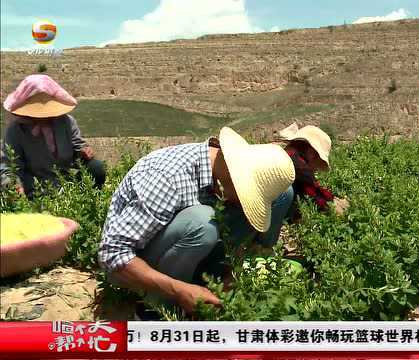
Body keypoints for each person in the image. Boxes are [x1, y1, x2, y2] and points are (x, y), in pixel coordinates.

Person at [98, 127, 295, 314]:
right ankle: (158, 308)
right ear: (235, 179)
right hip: (133, 264)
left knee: (282, 194)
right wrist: (179, 290)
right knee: (201, 224)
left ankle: (211, 275)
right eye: (248, 196)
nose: (246, 203)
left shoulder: (219, 173)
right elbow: (113, 255)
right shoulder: (167, 178)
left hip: (183, 247)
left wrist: (230, 270)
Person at [0, 74, 105, 197]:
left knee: (96, 168)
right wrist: (15, 188)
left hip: (65, 184)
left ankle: (86, 202)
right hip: (35, 190)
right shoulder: (16, 131)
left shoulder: (66, 122)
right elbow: (9, 167)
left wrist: (83, 152)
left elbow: (78, 147)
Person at [277, 123, 348, 222]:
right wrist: (334, 205)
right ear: (312, 153)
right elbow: (314, 192)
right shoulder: (297, 164)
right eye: (317, 162)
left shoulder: (289, 153)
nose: (315, 169)